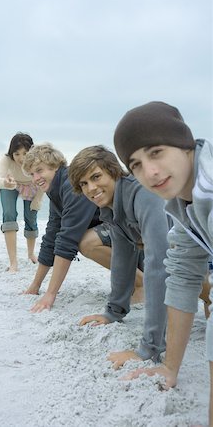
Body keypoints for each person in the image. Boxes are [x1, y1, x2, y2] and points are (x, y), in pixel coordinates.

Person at [113, 101, 212, 426]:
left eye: (156, 152)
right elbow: (182, 276)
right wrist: (170, 366)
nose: (149, 172)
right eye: (136, 164)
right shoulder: (185, 201)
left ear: (184, 144)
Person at [68, 145, 170, 367]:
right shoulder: (114, 208)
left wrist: (148, 349)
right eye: (84, 183)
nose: (91, 188)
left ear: (113, 170)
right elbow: (122, 261)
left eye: (96, 177)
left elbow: (159, 266)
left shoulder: (143, 194)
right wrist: (113, 313)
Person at [22, 143, 144, 313]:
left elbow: (67, 240)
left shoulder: (72, 187)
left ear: (55, 166)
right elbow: (52, 236)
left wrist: (50, 295)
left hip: (141, 237)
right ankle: (138, 281)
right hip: (125, 240)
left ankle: (141, 283)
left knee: (87, 242)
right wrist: (35, 286)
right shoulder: (56, 190)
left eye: (40, 170)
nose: (35, 178)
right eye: (32, 174)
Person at [0, 132, 44, 273]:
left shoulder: (38, 160)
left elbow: (43, 181)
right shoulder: (7, 159)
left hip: (32, 186)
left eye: (25, 153)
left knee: (31, 217)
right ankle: (13, 263)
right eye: (17, 154)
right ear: (11, 153)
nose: (21, 158)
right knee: (9, 214)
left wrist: (37, 201)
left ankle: (31, 254)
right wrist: (5, 182)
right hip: (11, 183)